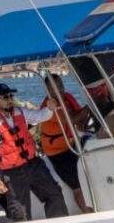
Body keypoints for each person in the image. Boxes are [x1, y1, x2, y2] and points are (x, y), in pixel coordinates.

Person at [0, 83, 69, 221]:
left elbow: (39, 116)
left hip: (33, 164)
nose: (10, 99)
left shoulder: (20, 112)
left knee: (54, 194)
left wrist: (49, 109)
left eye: (11, 95)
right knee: (20, 211)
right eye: (5, 97)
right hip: (12, 172)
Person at [39, 74, 94, 214]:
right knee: (77, 186)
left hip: (71, 143)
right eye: (54, 88)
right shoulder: (50, 106)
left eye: (61, 85)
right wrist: (90, 106)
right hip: (58, 153)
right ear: (47, 91)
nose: (60, 89)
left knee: (95, 144)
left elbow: (80, 118)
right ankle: (88, 214)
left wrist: (88, 111)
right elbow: (73, 120)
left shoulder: (67, 97)